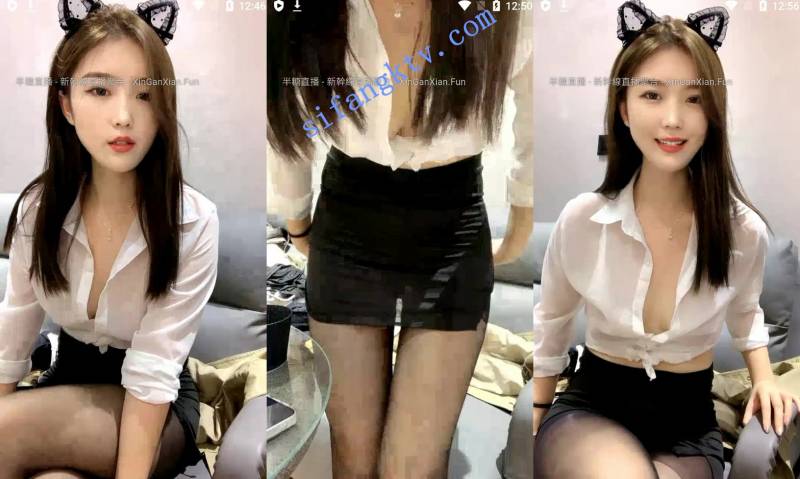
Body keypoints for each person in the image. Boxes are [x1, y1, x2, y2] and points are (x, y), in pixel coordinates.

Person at [532, 1, 800, 478]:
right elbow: (552, 320)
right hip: (593, 409)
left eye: (694, 99)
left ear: (712, 113)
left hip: (687, 423)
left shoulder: (742, 231)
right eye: (652, 95)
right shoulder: (583, 221)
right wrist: (536, 411)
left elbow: (746, 312)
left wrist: (764, 379)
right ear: (624, 107)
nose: (673, 119)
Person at [267, 0, 532, 476]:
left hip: (451, 221)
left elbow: (536, 98)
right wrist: (296, 216)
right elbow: (284, 109)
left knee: (412, 467)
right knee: (353, 461)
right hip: (348, 216)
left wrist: (523, 218)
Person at [0, 1, 219, 478]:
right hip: (67, 383)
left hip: (157, 411)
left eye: (145, 95)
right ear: (66, 104)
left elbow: (153, 372)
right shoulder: (37, 211)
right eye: (100, 90)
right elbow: (10, 344)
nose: (124, 116)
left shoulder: (192, 223)